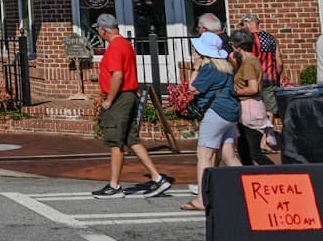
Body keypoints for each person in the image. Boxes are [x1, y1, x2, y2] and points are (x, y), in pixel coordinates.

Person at [86, 14, 174, 197]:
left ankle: (114, 185)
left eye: (99, 30)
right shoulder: (126, 44)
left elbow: (117, 75)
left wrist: (109, 99)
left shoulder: (115, 47)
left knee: (115, 141)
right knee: (131, 139)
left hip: (120, 98)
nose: (99, 33)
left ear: (104, 30)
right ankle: (158, 178)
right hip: (130, 94)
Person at [182, 32, 240, 212]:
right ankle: (247, 187)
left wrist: (196, 68)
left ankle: (201, 199)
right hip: (231, 113)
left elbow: (193, 88)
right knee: (229, 155)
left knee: (204, 155)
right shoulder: (227, 67)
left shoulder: (208, 69)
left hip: (216, 113)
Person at [228, 29, 279, 164]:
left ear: (238, 47)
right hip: (248, 108)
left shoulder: (249, 63)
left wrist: (234, 92)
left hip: (250, 109)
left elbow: (253, 88)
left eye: (232, 45)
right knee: (244, 150)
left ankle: (275, 174)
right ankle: (248, 178)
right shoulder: (248, 61)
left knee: (253, 152)